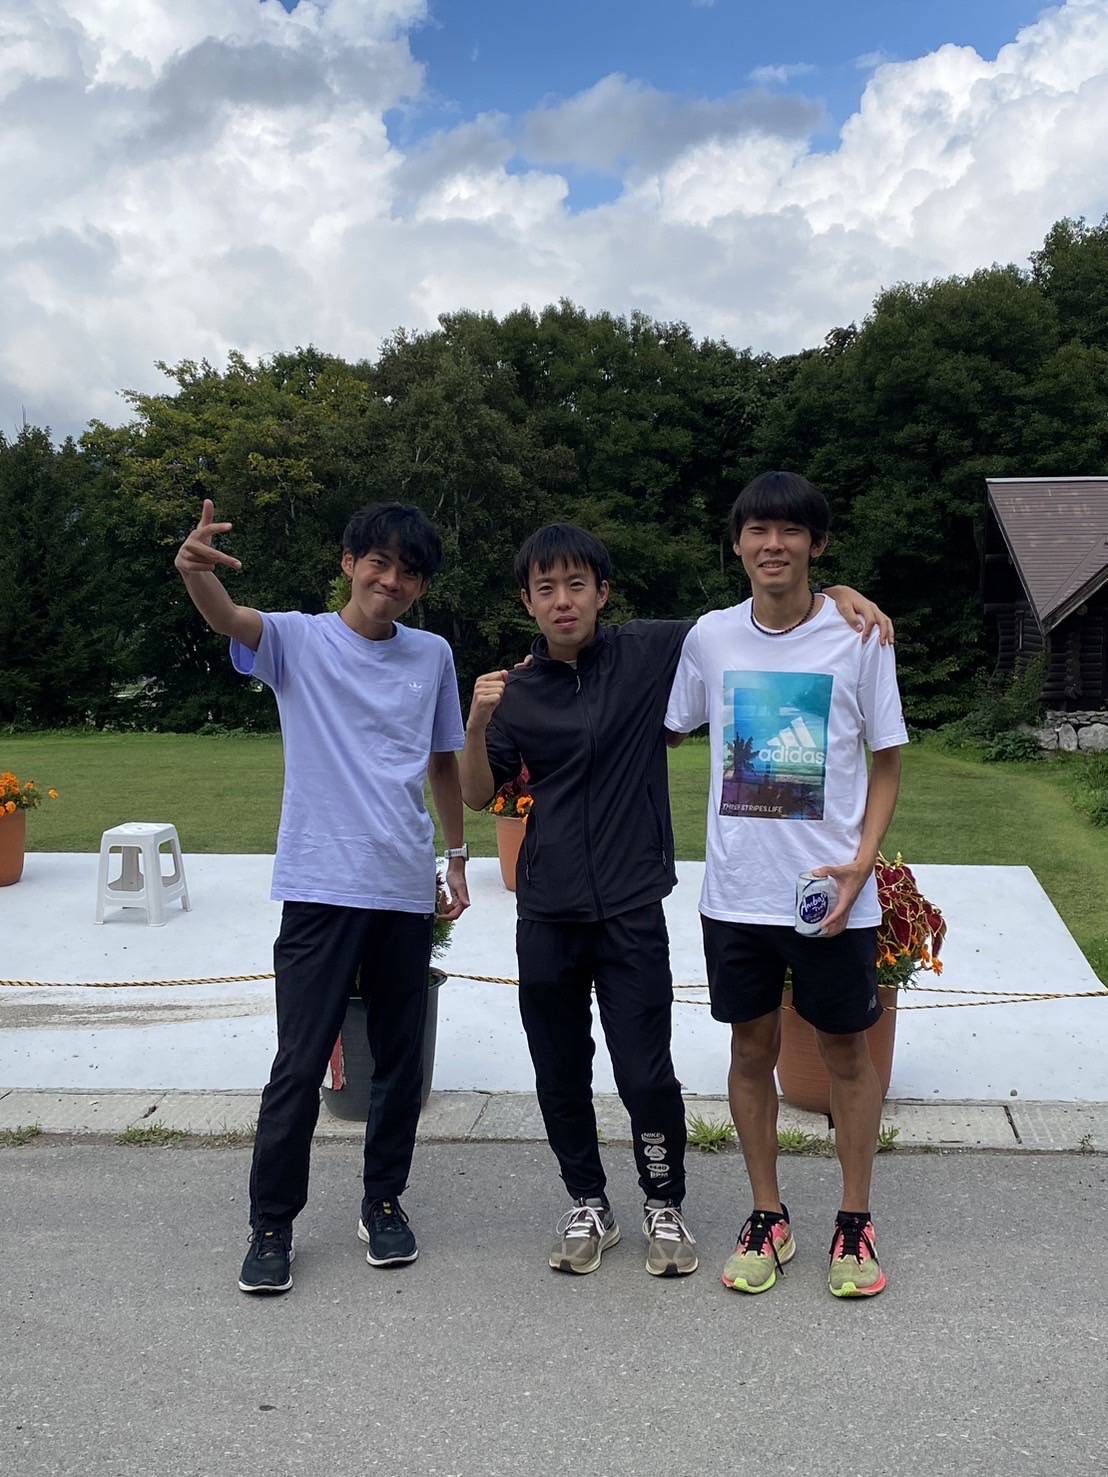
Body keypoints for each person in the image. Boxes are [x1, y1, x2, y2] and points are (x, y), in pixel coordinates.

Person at [459, 522, 891, 1280]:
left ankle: (664, 1199)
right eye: (546, 589)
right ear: (526, 601)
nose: (563, 601)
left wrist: (836, 594)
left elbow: (766, 607)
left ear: (603, 593)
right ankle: (587, 1200)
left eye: (577, 585)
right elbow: (475, 794)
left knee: (646, 1072)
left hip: (631, 904)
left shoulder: (651, 650)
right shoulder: (515, 691)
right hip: (549, 909)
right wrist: (477, 720)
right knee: (558, 1066)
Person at [174, 499, 470, 1295]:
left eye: (409, 571)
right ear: (349, 562)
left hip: (402, 886)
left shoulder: (432, 654)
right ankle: (272, 1222)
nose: (391, 580)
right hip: (318, 886)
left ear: (421, 586)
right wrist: (194, 570)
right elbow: (228, 617)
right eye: (379, 562)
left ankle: (383, 1202)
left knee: (400, 1062)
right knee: (299, 1063)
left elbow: (445, 762)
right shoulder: (298, 640)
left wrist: (456, 857)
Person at [665, 471, 907, 1299]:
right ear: (737, 543)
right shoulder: (710, 638)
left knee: (846, 1053)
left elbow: (887, 763)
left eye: (791, 531)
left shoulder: (860, 637)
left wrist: (862, 864)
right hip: (737, 894)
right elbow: (664, 726)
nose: (774, 544)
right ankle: (768, 1214)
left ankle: (854, 1219)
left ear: (816, 544)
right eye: (758, 530)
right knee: (750, 1050)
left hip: (833, 895)